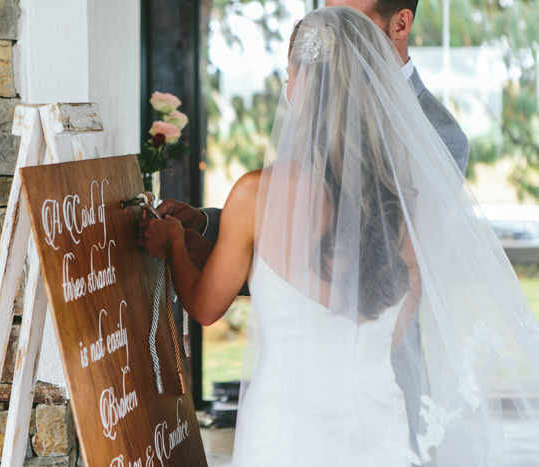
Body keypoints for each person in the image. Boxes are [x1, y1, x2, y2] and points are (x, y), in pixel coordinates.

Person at [139, 6, 539, 465]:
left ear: (304, 82)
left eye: (288, 74)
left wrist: (172, 243)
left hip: (284, 428)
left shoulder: (258, 193)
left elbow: (208, 307)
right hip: (375, 421)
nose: (286, 87)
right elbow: (383, 308)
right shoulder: (405, 205)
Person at [144, 0, 468, 272]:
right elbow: (295, 216)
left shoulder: (439, 133)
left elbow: (394, 268)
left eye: (349, 24)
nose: (331, 38)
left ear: (400, 24)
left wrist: (210, 260)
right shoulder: (321, 103)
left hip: (378, 342)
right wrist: (205, 225)